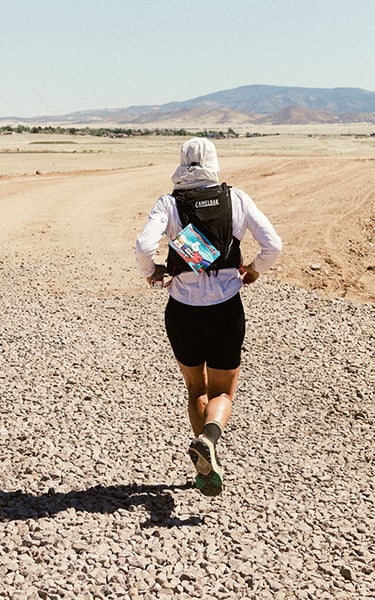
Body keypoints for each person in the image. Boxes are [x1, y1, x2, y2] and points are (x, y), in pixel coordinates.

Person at [135, 137, 282, 497]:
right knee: (222, 391)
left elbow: (143, 246)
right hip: (226, 308)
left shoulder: (169, 203)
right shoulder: (236, 198)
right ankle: (210, 441)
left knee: (196, 388)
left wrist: (152, 272)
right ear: (215, 163)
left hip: (182, 311)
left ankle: (205, 465)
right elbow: (273, 245)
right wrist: (254, 270)